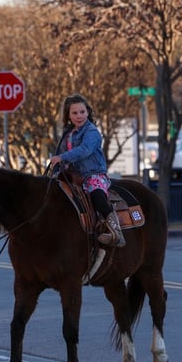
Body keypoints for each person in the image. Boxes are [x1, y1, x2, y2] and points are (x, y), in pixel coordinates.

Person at [49, 93, 126, 247]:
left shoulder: (91, 132)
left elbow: (85, 150)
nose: (79, 116)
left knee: (96, 193)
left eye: (82, 112)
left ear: (88, 112)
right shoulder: (67, 134)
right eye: (75, 113)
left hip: (92, 174)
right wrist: (55, 168)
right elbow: (60, 155)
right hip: (71, 175)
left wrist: (63, 157)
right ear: (68, 115)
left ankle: (115, 231)